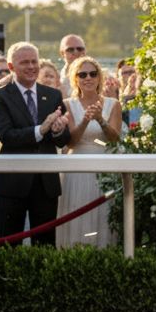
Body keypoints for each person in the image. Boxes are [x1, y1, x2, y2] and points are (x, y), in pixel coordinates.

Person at [0, 42, 72, 247]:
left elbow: (62, 139)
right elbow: (5, 136)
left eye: (34, 61)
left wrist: (58, 129)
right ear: (11, 67)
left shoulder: (52, 95)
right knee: (8, 246)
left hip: (45, 183)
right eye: (24, 62)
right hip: (12, 183)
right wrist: (40, 130)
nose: (31, 66)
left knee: (45, 246)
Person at [56, 57, 122, 248]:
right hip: (76, 169)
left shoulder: (113, 104)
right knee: (76, 213)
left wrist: (100, 119)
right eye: (82, 74)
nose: (88, 78)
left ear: (99, 78)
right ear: (75, 79)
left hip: (105, 168)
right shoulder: (67, 104)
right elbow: (70, 142)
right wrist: (85, 121)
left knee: (103, 215)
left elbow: (115, 138)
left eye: (93, 74)